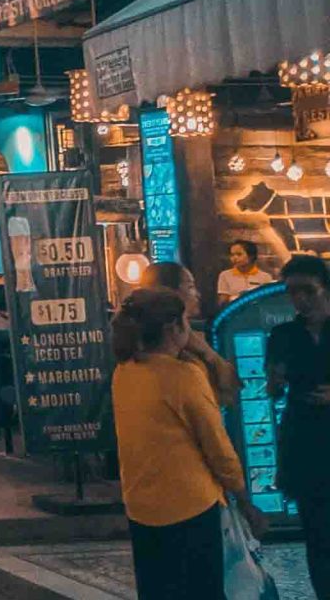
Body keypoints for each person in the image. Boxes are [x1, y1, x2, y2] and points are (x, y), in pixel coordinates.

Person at [111, 286, 262, 599]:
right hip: (191, 506)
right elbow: (217, 447)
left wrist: (197, 347)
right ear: (174, 328)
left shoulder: (125, 372)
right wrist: (246, 502)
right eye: (187, 322)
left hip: (141, 506)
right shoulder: (184, 377)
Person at [269, 254, 330, 596]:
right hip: (306, 440)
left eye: (308, 291)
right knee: (317, 531)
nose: (300, 300)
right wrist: (274, 381)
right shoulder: (284, 334)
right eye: (292, 292)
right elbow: (275, 384)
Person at [140, 262, 241, 403]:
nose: (197, 294)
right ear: (171, 294)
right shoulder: (182, 353)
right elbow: (227, 394)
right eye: (190, 287)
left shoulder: (133, 352)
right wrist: (208, 353)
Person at [217, 239, 276, 303]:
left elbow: (269, 300)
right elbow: (223, 302)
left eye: (239, 254)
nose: (234, 258)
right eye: (232, 255)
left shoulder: (265, 277)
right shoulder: (225, 275)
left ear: (251, 256)